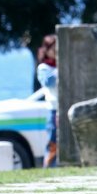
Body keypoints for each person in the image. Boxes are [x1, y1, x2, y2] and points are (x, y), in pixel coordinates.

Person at [37, 34, 58, 168]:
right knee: (53, 143)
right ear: (47, 50)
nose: (56, 52)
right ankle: (49, 168)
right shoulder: (44, 68)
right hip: (53, 110)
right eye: (54, 49)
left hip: (64, 108)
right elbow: (48, 82)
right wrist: (59, 70)